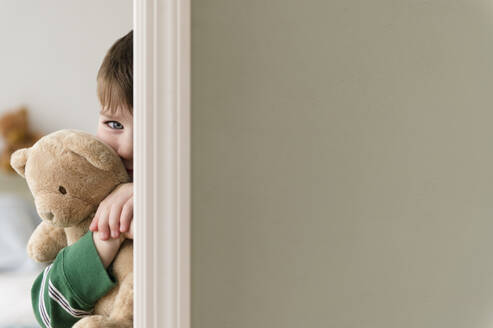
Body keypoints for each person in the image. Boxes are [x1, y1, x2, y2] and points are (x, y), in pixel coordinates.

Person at [31, 30, 134, 328]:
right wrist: (104, 239)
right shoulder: (84, 197)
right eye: (114, 124)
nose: (126, 148)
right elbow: (48, 314)